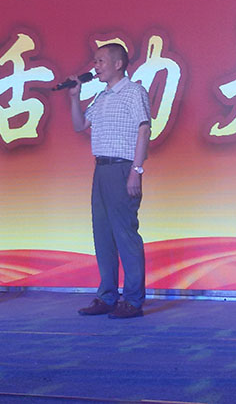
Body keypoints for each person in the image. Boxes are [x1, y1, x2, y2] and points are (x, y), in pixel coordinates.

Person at [67, 43, 151, 319]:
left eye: (100, 61)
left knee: (125, 235)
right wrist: (74, 97)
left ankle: (133, 300)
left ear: (118, 64)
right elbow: (79, 125)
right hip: (101, 168)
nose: (96, 66)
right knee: (102, 235)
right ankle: (107, 296)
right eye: (95, 61)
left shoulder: (134, 92)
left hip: (122, 168)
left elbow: (144, 130)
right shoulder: (101, 96)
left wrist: (136, 170)